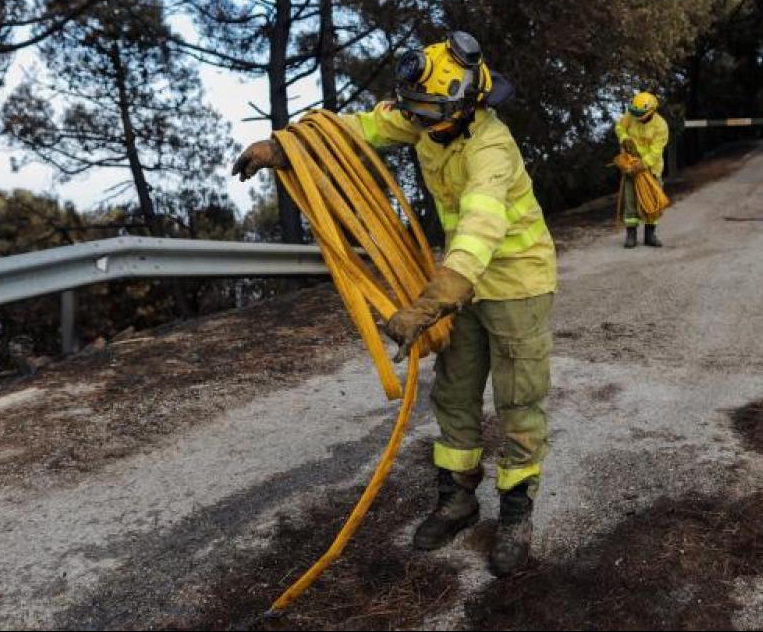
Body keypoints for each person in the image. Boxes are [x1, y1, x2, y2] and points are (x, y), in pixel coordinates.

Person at [232, 31, 557, 575]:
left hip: (516, 285)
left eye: (428, 114)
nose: (419, 123)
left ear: (463, 103)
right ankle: (457, 500)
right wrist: (283, 147)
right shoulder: (432, 116)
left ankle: (517, 514)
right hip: (461, 283)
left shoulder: (491, 150)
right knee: (454, 394)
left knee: (518, 402)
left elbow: (480, 228)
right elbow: (360, 129)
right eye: (417, 113)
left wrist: (427, 306)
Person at [615, 91, 669, 248]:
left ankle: (650, 235)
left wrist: (643, 164)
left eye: (641, 115)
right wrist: (624, 138)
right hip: (630, 166)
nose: (637, 118)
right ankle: (631, 235)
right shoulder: (631, 115)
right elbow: (619, 127)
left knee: (652, 202)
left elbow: (656, 151)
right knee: (630, 200)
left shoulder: (661, 126)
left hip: (651, 169)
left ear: (651, 111)